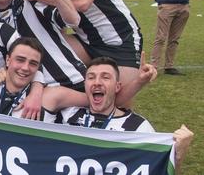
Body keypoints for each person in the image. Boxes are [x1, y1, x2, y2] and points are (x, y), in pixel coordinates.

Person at [27, 0, 145, 102]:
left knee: (118, 100)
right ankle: (59, 103)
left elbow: (82, 2)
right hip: (87, 41)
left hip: (120, 40)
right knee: (48, 49)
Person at [43, 57, 193, 172]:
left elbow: (157, 170)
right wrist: (37, 83)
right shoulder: (68, 114)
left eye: (105, 77)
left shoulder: (139, 128)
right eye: (91, 77)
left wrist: (178, 157)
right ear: (85, 85)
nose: (97, 82)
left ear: (117, 87)